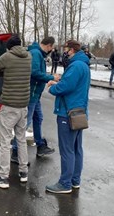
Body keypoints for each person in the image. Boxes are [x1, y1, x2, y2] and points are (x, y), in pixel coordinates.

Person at [46, 39, 90, 194]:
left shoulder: (76, 66)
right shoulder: (83, 64)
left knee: (67, 150)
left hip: (67, 113)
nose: (64, 52)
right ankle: (74, 181)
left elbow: (66, 86)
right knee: (77, 148)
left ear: (71, 50)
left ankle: (65, 183)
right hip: (79, 113)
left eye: (66, 49)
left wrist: (52, 87)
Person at [0, 35, 32, 189]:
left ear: (9, 47)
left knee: (6, 142)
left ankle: (4, 177)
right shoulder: (29, 56)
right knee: (21, 140)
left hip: (9, 106)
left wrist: (4, 73)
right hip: (23, 105)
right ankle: (23, 173)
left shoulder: (7, 57)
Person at [11, 37, 60, 163]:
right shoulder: (36, 53)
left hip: (35, 94)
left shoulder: (37, 53)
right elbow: (34, 72)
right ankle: (16, 151)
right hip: (31, 94)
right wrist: (50, 77)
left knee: (38, 118)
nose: (52, 50)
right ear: (49, 46)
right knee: (25, 123)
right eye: (52, 47)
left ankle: (40, 145)